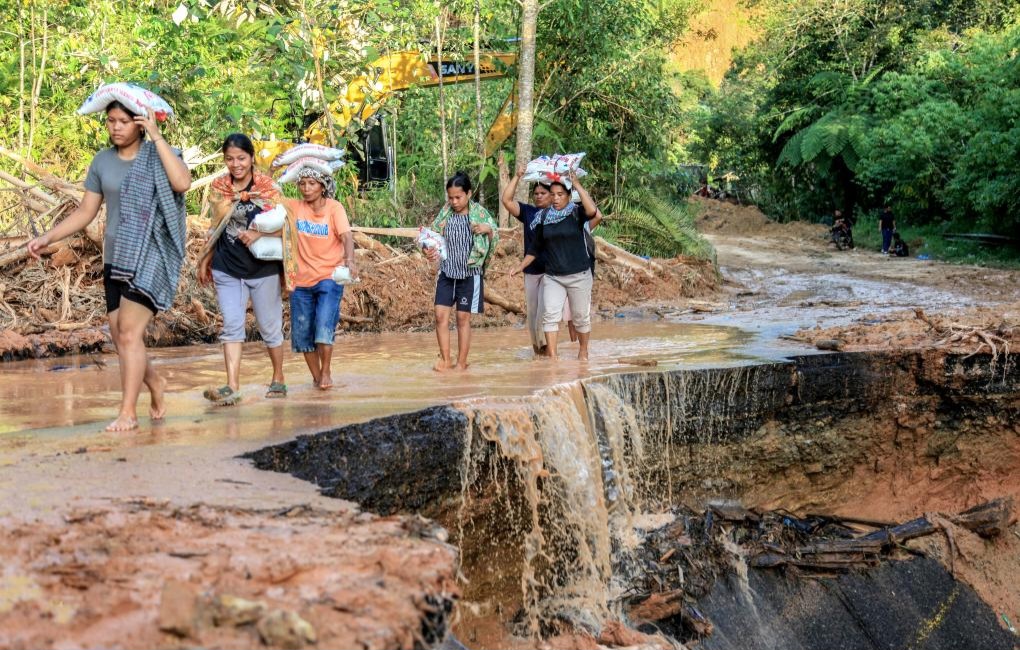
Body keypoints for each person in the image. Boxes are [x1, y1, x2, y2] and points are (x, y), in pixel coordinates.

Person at [27, 102, 191, 431]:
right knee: (120, 337)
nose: (116, 127)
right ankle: (156, 383)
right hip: (116, 257)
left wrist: (157, 138)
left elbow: (182, 183)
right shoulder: (102, 161)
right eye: (111, 121)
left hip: (150, 257)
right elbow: (86, 212)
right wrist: (48, 237)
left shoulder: (160, 154)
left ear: (140, 123)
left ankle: (128, 412)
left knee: (129, 333)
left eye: (124, 121)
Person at [196, 133, 287, 404]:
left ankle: (278, 377)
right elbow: (217, 227)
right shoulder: (219, 186)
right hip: (227, 266)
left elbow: (285, 226)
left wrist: (258, 235)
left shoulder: (268, 188)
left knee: (269, 327)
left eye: (241, 158)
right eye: (229, 159)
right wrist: (204, 260)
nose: (235, 164)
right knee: (232, 326)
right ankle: (232, 386)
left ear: (251, 158)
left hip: (263, 268)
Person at [510, 169, 598, 361]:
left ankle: (583, 351)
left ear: (568, 196)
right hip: (553, 277)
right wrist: (520, 266)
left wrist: (578, 185)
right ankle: (553, 356)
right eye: (553, 195)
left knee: (580, 317)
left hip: (579, 275)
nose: (556, 199)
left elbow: (593, 212)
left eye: (560, 195)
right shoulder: (543, 218)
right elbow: (535, 248)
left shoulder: (576, 212)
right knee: (550, 316)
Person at [285, 168, 356, 390]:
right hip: (300, 281)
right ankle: (317, 379)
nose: (306, 189)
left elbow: (346, 236)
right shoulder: (294, 207)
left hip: (329, 276)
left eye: (312, 184)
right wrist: (273, 169)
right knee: (302, 334)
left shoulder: (335, 208)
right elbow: (269, 195)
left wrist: (350, 259)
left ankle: (326, 372)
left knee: (324, 325)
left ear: (322, 186)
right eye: (302, 183)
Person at [428, 171, 498, 372]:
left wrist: (488, 229)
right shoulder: (445, 213)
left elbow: (495, 237)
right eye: (450, 197)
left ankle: (461, 363)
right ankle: (445, 359)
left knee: (462, 318)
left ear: (468, 194)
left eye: (458, 197)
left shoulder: (480, 215)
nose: (454, 201)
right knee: (440, 315)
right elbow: (431, 237)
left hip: (470, 274)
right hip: (448, 272)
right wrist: (428, 249)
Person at [500, 165, 553, 355]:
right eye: (536, 193)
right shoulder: (528, 212)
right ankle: (538, 357)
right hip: (531, 271)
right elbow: (506, 200)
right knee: (532, 320)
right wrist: (517, 176)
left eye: (543, 193)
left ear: (551, 195)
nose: (538, 196)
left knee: (543, 316)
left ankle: (550, 354)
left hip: (551, 271)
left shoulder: (558, 213)